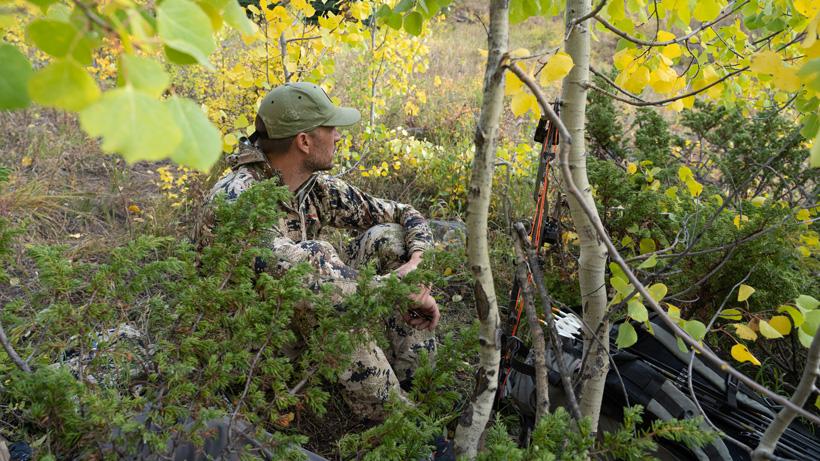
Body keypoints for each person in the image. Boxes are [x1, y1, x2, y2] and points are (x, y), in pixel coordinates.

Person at [197, 82, 441, 421]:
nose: (339, 136)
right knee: (328, 300)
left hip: (302, 312)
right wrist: (398, 289)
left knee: (390, 238)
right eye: (331, 128)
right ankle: (403, 426)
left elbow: (404, 213)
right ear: (304, 141)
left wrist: (417, 263)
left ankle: (421, 382)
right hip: (252, 355)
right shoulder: (237, 202)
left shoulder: (313, 188)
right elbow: (313, 284)